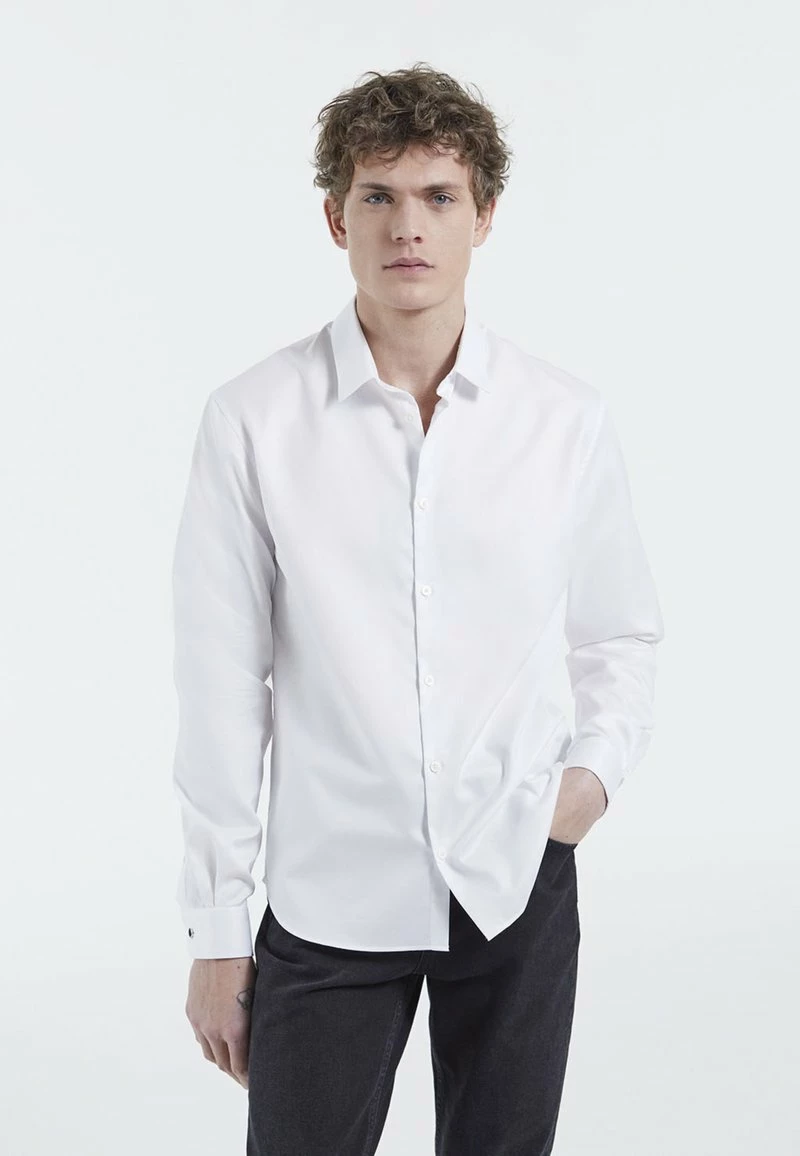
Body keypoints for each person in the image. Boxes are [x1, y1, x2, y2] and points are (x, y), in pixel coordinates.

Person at [170, 62, 665, 1156]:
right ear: (334, 217)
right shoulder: (254, 421)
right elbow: (220, 682)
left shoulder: (562, 419)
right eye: (378, 196)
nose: (408, 226)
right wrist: (216, 928)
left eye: (439, 196)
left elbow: (619, 632)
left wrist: (583, 788)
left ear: (483, 216)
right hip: (330, 893)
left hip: (515, 879)